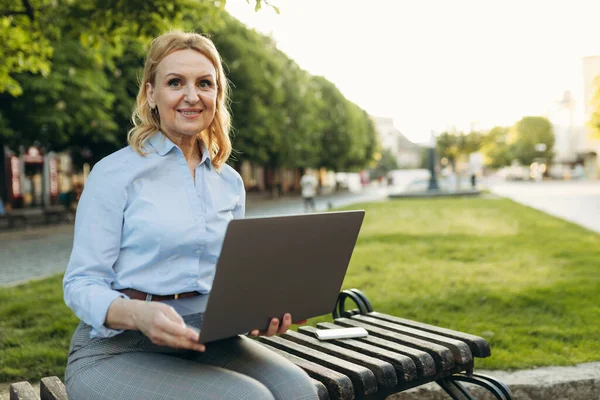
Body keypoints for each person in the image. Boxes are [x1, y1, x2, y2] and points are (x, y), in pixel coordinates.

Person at [62, 31, 318, 400]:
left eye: (204, 83)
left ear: (217, 95)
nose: (192, 95)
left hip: (206, 336)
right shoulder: (113, 173)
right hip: (118, 346)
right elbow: (80, 284)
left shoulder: (229, 182)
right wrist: (138, 315)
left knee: (299, 390)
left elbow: (234, 278)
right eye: (175, 82)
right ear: (151, 93)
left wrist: (260, 311)